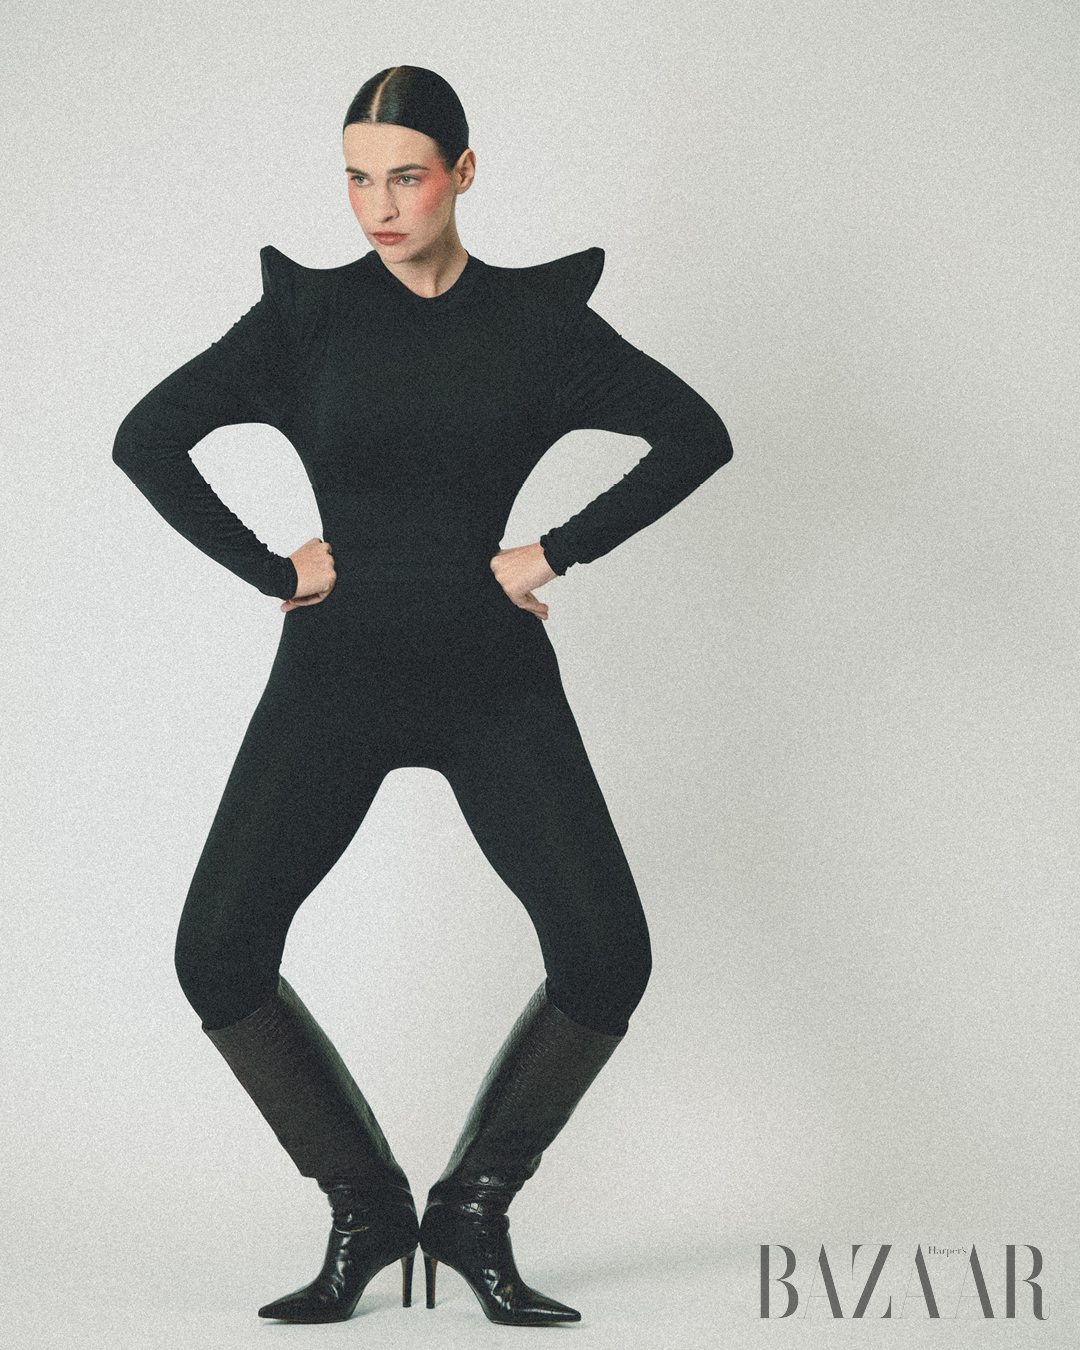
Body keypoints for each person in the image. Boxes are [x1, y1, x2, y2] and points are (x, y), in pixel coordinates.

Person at [113, 65, 732, 1327]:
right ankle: (365, 1208)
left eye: (405, 176)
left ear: (462, 173)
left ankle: (474, 1208)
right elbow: (147, 437)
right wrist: (270, 568)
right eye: (358, 179)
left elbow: (695, 434)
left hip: (488, 679)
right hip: (335, 677)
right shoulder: (307, 321)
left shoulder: (538, 326)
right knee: (218, 954)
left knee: (606, 956)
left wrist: (553, 551)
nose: (379, 206)